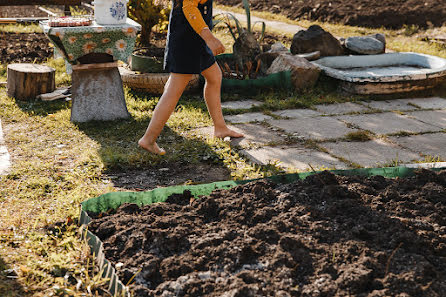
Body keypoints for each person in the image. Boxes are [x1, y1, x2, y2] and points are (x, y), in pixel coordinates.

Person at [138, 0, 243, 155]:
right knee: (174, 89)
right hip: (187, 40)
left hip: (195, 38)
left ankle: (220, 128)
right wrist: (210, 38)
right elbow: (189, 8)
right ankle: (148, 139)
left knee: (214, 76)